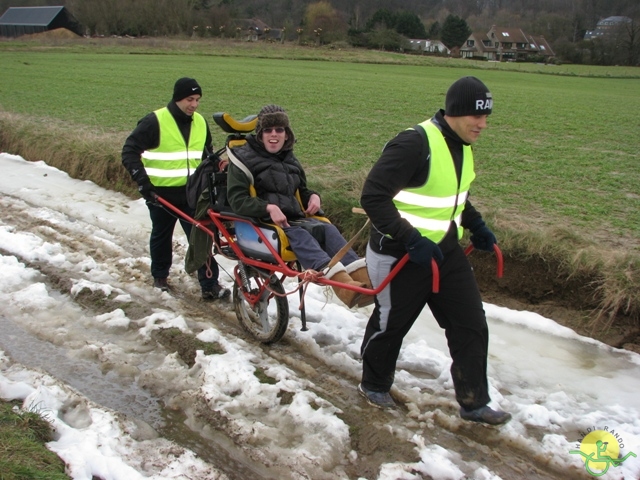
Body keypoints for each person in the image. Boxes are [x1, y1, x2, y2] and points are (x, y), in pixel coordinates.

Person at [357, 76, 511, 425]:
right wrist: (410, 238)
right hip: (399, 252)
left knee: (471, 324)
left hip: (443, 251)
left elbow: (452, 196)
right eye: (477, 116)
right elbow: (373, 197)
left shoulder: (462, 144)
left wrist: (476, 224)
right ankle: (373, 384)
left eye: (487, 116)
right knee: (391, 324)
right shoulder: (414, 143)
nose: (483, 124)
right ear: (456, 112)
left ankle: (474, 402)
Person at [226, 104, 373, 309]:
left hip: (294, 218)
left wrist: (313, 196)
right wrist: (268, 208)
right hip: (264, 222)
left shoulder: (289, 158)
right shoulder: (243, 161)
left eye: (280, 130)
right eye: (268, 130)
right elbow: (237, 200)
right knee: (301, 235)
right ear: (260, 135)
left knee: (328, 229)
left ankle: (363, 282)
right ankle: (346, 289)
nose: (274, 135)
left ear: (287, 134)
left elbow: (301, 190)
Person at [121, 77, 229, 301]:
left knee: (202, 237)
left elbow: (206, 153)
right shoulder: (155, 121)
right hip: (160, 194)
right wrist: (143, 183)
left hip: (193, 194)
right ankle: (160, 277)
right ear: (178, 98)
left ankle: (209, 284)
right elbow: (129, 151)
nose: (194, 104)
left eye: (198, 100)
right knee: (162, 235)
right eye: (190, 99)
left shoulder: (200, 122)